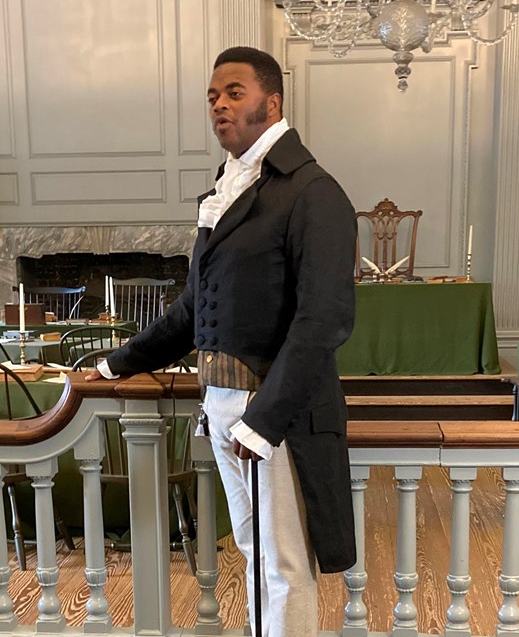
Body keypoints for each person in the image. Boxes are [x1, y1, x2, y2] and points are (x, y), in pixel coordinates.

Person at [87, 46, 357, 637]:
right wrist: (114, 365)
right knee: (255, 554)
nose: (219, 105)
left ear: (273, 101)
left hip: (275, 413)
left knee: (285, 566)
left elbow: (325, 319)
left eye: (234, 92)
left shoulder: (313, 192)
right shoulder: (231, 187)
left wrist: (265, 420)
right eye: (213, 96)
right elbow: (191, 310)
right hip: (225, 406)